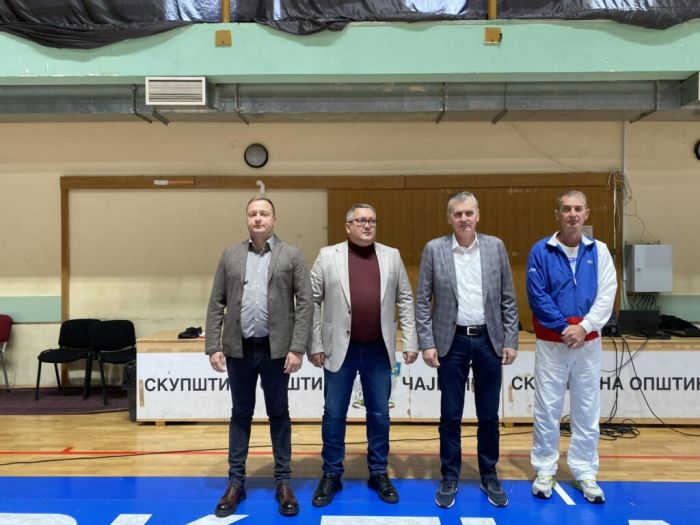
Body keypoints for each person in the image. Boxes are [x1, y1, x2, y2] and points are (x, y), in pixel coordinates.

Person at [205, 196, 312, 518]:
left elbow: (305, 303)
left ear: (274, 220)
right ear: (247, 219)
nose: (258, 218)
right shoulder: (231, 255)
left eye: (264, 213)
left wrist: (297, 347)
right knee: (241, 414)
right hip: (239, 349)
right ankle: (236, 483)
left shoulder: (291, 254)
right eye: (252, 213)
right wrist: (213, 345)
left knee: (279, 414)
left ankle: (283, 482)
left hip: (276, 351)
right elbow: (216, 302)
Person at [309, 203, 418, 507]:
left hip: (378, 350)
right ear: (348, 226)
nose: (367, 225)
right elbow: (310, 300)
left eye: (372, 220)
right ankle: (331, 474)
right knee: (334, 414)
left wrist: (411, 341)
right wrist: (315, 343)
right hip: (338, 349)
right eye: (360, 221)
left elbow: (405, 298)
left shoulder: (391, 255)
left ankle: (378, 473)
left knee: (380, 414)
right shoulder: (327, 256)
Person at [415, 191, 519, 509]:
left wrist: (511, 340)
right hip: (452, 341)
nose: (463, 218)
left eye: (468, 213)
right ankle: (450, 476)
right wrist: (427, 342)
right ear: (449, 218)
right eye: (457, 213)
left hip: (489, 340)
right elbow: (422, 300)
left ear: (478, 215)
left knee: (488, 415)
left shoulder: (495, 246)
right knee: (450, 415)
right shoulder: (434, 249)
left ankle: (489, 474)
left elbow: (508, 297)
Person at [527, 190, 617, 504]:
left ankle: (585, 471)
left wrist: (585, 327)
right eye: (566, 209)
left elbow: (607, 294)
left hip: (588, 344)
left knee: (587, 409)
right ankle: (544, 469)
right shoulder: (541, 251)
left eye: (578, 209)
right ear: (557, 214)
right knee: (547, 409)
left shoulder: (599, 251)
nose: (572, 214)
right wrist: (565, 328)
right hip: (552, 343)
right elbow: (537, 296)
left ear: (587, 214)